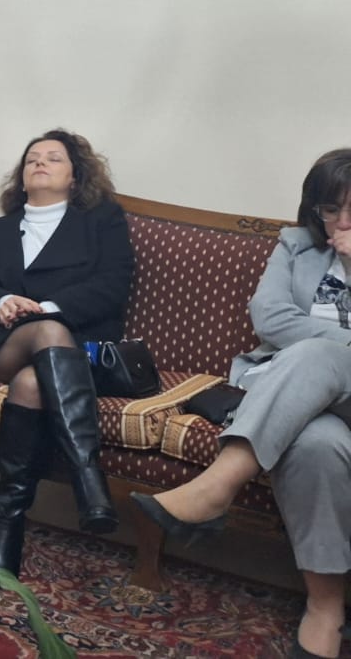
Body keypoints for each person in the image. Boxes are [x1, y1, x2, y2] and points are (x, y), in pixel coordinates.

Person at [134, 149, 351, 659]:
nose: (342, 223)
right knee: (316, 445)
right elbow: (270, 317)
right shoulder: (296, 245)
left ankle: (218, 486)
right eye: (330, 209)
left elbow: (295, 332)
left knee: (316, 352)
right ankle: (326, 607)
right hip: (304, 401)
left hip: (315, 382)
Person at [0, 129, 133, 589]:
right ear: (21, 176)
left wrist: (48, 309)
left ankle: (8, 525)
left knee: (32, 383)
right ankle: (88, 480)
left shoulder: (103, 222)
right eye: (32, 158)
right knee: (44, 336)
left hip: (76, 349)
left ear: (75, 177)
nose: (39, 162)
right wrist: (3, 302)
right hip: (6, 344)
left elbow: (113, 285)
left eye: (54, 158)